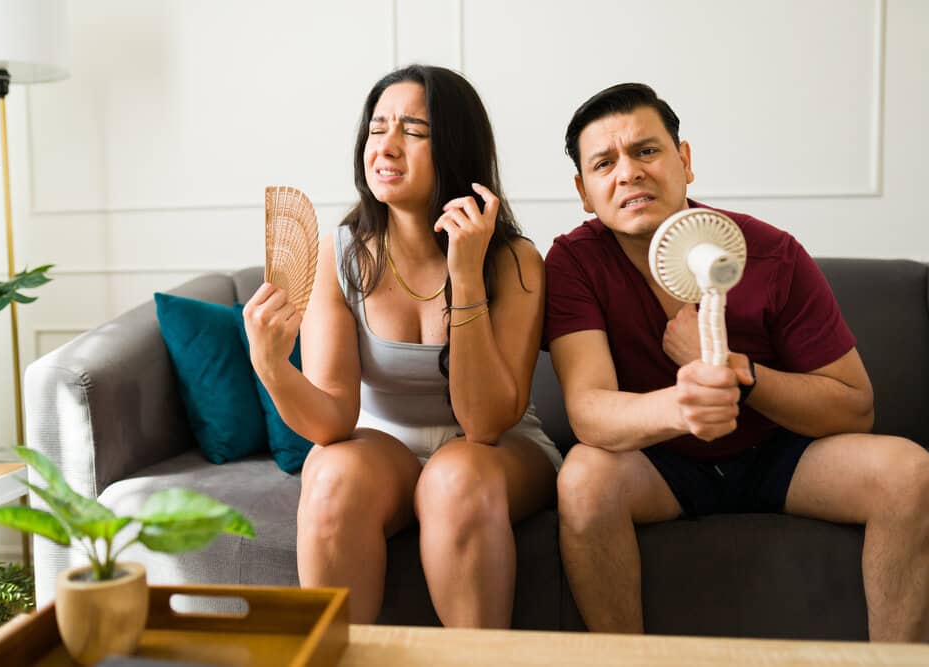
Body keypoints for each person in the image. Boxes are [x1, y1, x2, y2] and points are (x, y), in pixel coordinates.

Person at [545, 82, 929, 641]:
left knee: (911, 473)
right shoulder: (573, 263)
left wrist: (740, 376)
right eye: (605, 163)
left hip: (779, 454)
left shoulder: (772, 252)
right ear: (585, 192)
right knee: (583, 478)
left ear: (685, 160)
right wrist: (684, 406)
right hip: (661, 465)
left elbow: (854, 407)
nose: (628, 172)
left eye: (646, 151)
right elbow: (589, 411)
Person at [243, 65, 561, 627]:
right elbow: (333, 420)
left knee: (456, 476)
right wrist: (270, 365)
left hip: (496, 451)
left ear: (455, 148)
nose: (386, 146)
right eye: (377, 128)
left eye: (413, 131)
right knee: (330, 472)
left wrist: (465, 278)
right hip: (381, 447)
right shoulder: (341, 255)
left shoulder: (514, 262)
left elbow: (485, 423)